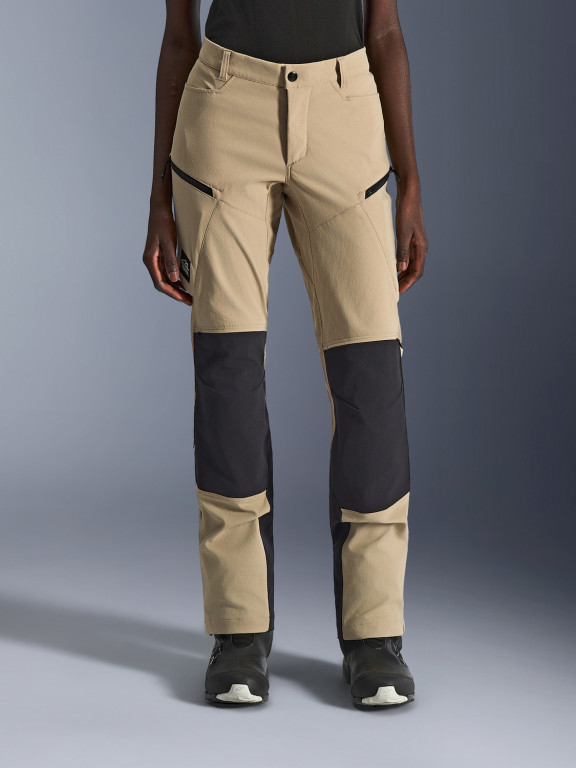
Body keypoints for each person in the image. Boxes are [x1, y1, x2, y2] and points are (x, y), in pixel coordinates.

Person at [142, 0, 428, 708]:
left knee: (371, 376)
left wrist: (412, 181)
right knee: (228, 372)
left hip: (345, 111)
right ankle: (239, 631)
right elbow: (178, 37)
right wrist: (157, 199)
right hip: (224, 112)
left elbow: (384, 29)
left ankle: (375, 634)